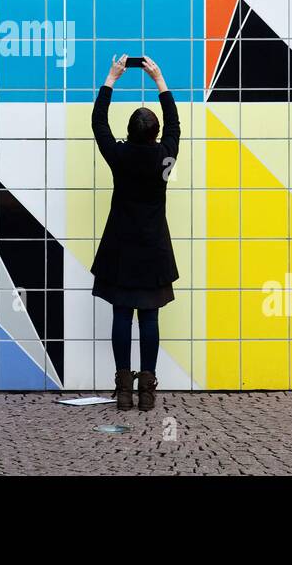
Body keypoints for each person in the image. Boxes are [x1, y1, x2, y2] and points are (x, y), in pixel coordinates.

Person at [90, 54, 180, 411]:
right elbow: (175, 124)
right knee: (151, 318)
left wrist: (111, 78)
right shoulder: (165, 156)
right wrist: (159, 80)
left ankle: (123, 391)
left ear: (129, 132)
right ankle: (147, 392)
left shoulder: (119, 156)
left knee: (121, 316)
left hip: (121, 249)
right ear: (155, 134)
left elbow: (98, 123)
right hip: (154, 249)